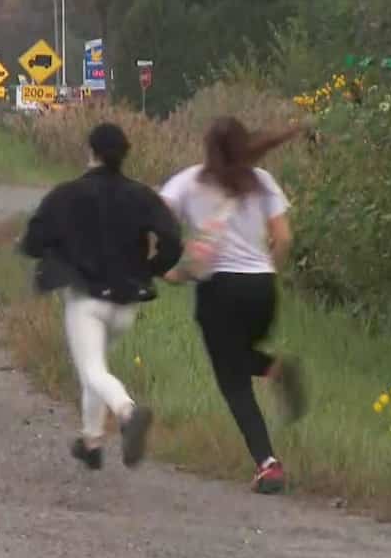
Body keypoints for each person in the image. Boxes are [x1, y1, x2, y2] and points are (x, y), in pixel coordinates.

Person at [20, 123, 183, 470]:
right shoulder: (142, 196)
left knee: (92, 368)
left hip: (86, 298)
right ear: (125, 154)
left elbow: (32, 242)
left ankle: (127, 413)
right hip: (127, 303)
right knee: (96, 367)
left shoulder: (66, 194)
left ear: (90, 151)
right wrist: (150, 269)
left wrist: (60, 251)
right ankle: (92, 441)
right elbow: (173, 241)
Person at [160, 116, 308, 495]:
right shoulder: (263, 183)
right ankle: (275, 367)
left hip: (218, 291)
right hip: (262, 289)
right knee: (239, 357)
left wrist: (168, 264)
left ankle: (268, 465)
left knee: (232, 381)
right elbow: (284, 238)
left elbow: (157, 221)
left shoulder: (189, 182)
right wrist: (268, 270)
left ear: (207, 146)